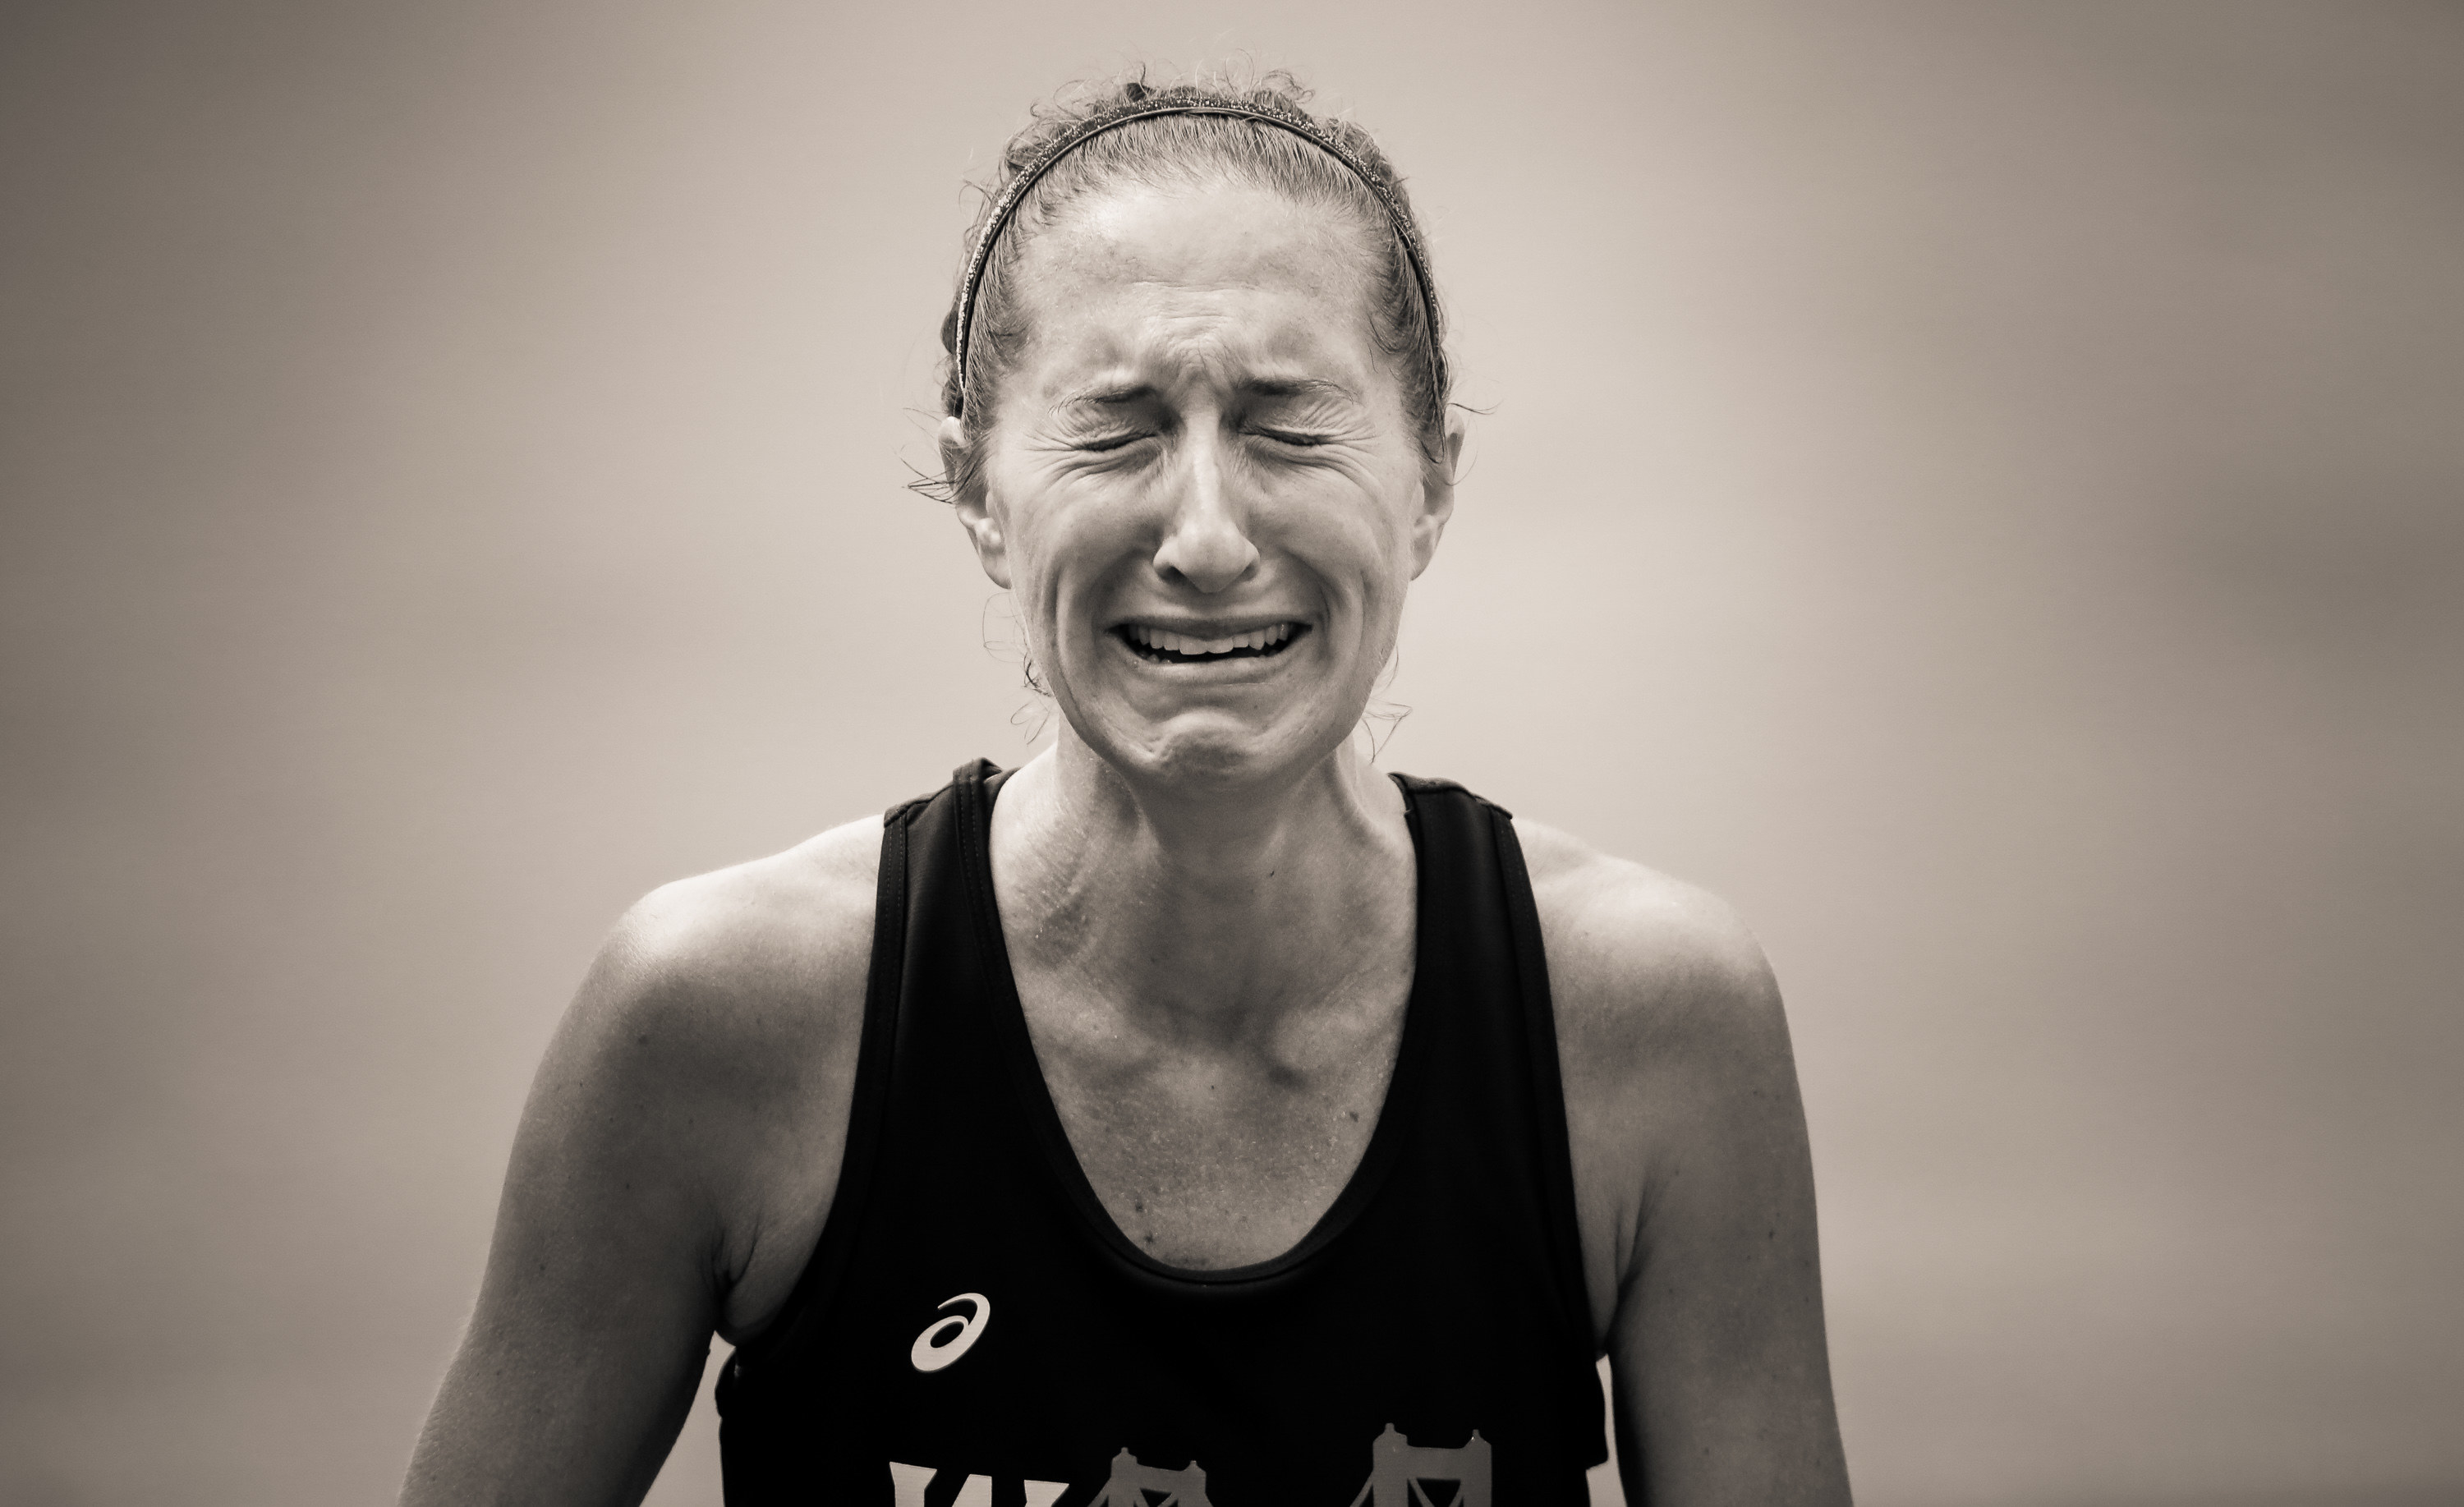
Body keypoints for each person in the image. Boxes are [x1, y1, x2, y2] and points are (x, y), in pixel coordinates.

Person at [402, 70, 1850, 1507]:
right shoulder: (720, 1021)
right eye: (1119, 425)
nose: (1207, 536)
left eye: (1288, 423)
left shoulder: (1651, 1027)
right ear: (979, 492)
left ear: (1431, 484)